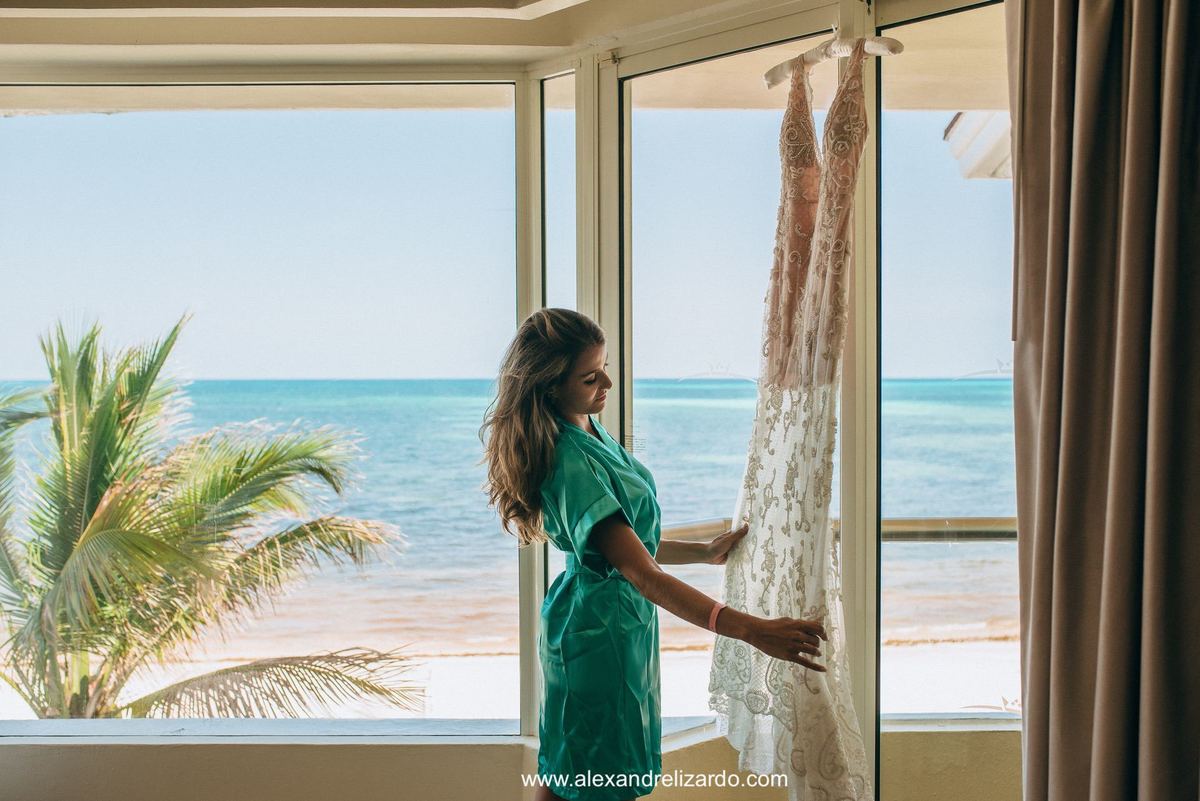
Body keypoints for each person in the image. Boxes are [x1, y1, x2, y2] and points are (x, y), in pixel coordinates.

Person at [480, 308, 828, 801]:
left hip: (618, 626)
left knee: (574, 769)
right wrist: (754, 630)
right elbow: (642, 573)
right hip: (597, 633)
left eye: (604, 365)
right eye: (589, 376)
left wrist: (705, 552)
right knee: (587, 773)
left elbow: (624, 540)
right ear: (549, 387)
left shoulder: (587, 428)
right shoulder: (569, 460)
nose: (607, 381)